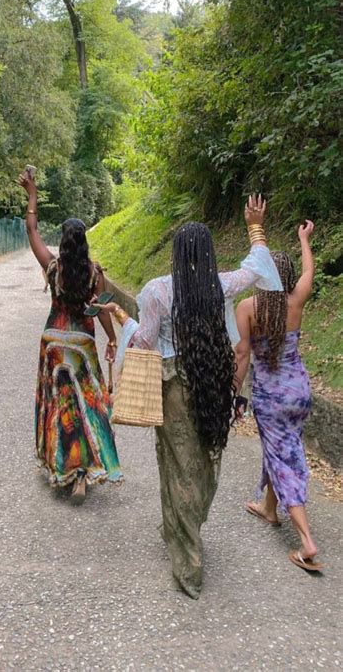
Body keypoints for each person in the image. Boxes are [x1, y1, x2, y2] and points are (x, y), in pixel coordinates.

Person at [96, 195, 282, 598]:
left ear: (177, 255)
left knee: (177, 466)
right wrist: (255, 227)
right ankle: (186, 522)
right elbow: (256, 268)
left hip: (173, 388)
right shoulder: (220, 286)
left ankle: (188, 563)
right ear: (210, 253)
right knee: (205, 459)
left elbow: (144, 342)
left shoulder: (157, 291)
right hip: (213, 383)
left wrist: (124, 328)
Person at [18, 170, 123, 505]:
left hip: (53, 343)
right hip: (81, 345)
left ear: (62, 243)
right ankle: (82, 472)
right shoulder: (95, 274)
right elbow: (102, 310)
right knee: (87, 406)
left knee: (60, 404)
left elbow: (32, 230)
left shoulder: (53, 268)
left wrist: (32, 195)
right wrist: (111, 340)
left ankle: (62, 465)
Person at [234, 220, 323, 571]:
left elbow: (242, 355)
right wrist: (304, 239)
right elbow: (309, 269)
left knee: (284, 459)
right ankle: (269, 509)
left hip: (270, 397)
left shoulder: (248, 309)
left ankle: (306, 542)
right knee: (282, 448)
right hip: (299, 391)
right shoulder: (297, 299)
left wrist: (234, 395)